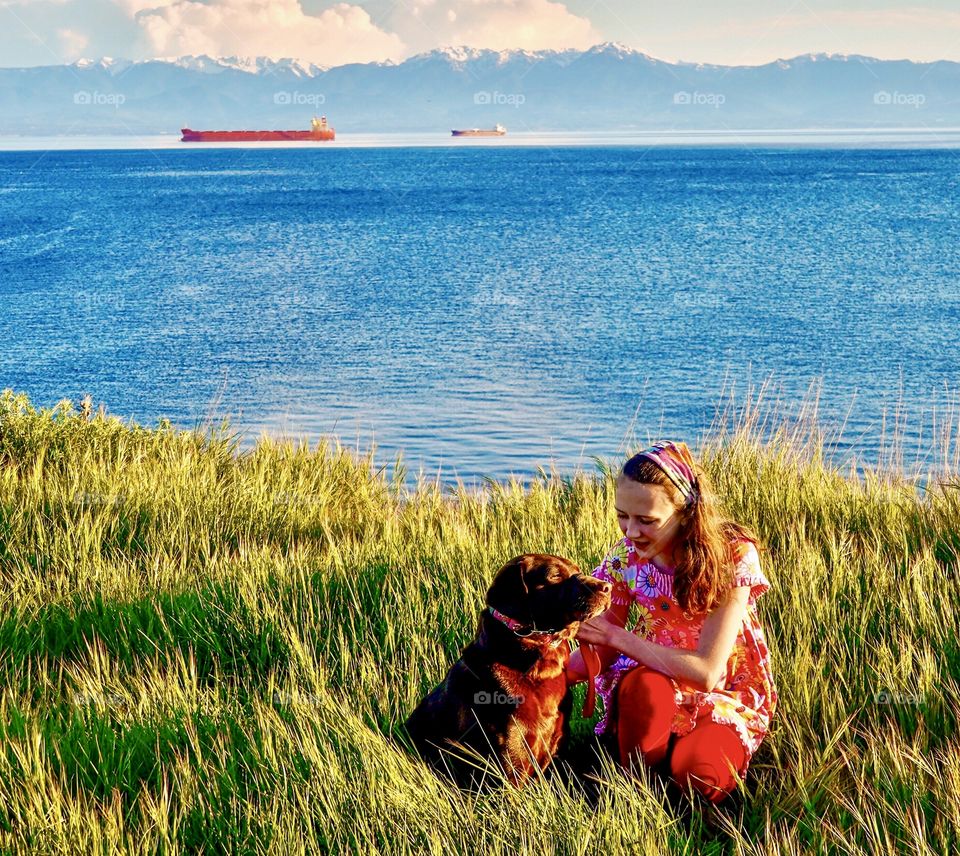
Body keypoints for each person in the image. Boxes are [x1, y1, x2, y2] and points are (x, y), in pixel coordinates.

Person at [566, 440, 777, 804]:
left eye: (647, 520)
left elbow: (708, 672)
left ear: (685, 511)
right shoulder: (625, 558)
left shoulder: (732, 554)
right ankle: (638, 787)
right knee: (645, 689)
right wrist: (542, 673)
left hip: (724, 691)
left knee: (702, 779)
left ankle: (679, 770)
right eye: (622, 515)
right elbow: (600, 648)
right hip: (653, 683)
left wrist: (619, 638)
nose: (630, 532)